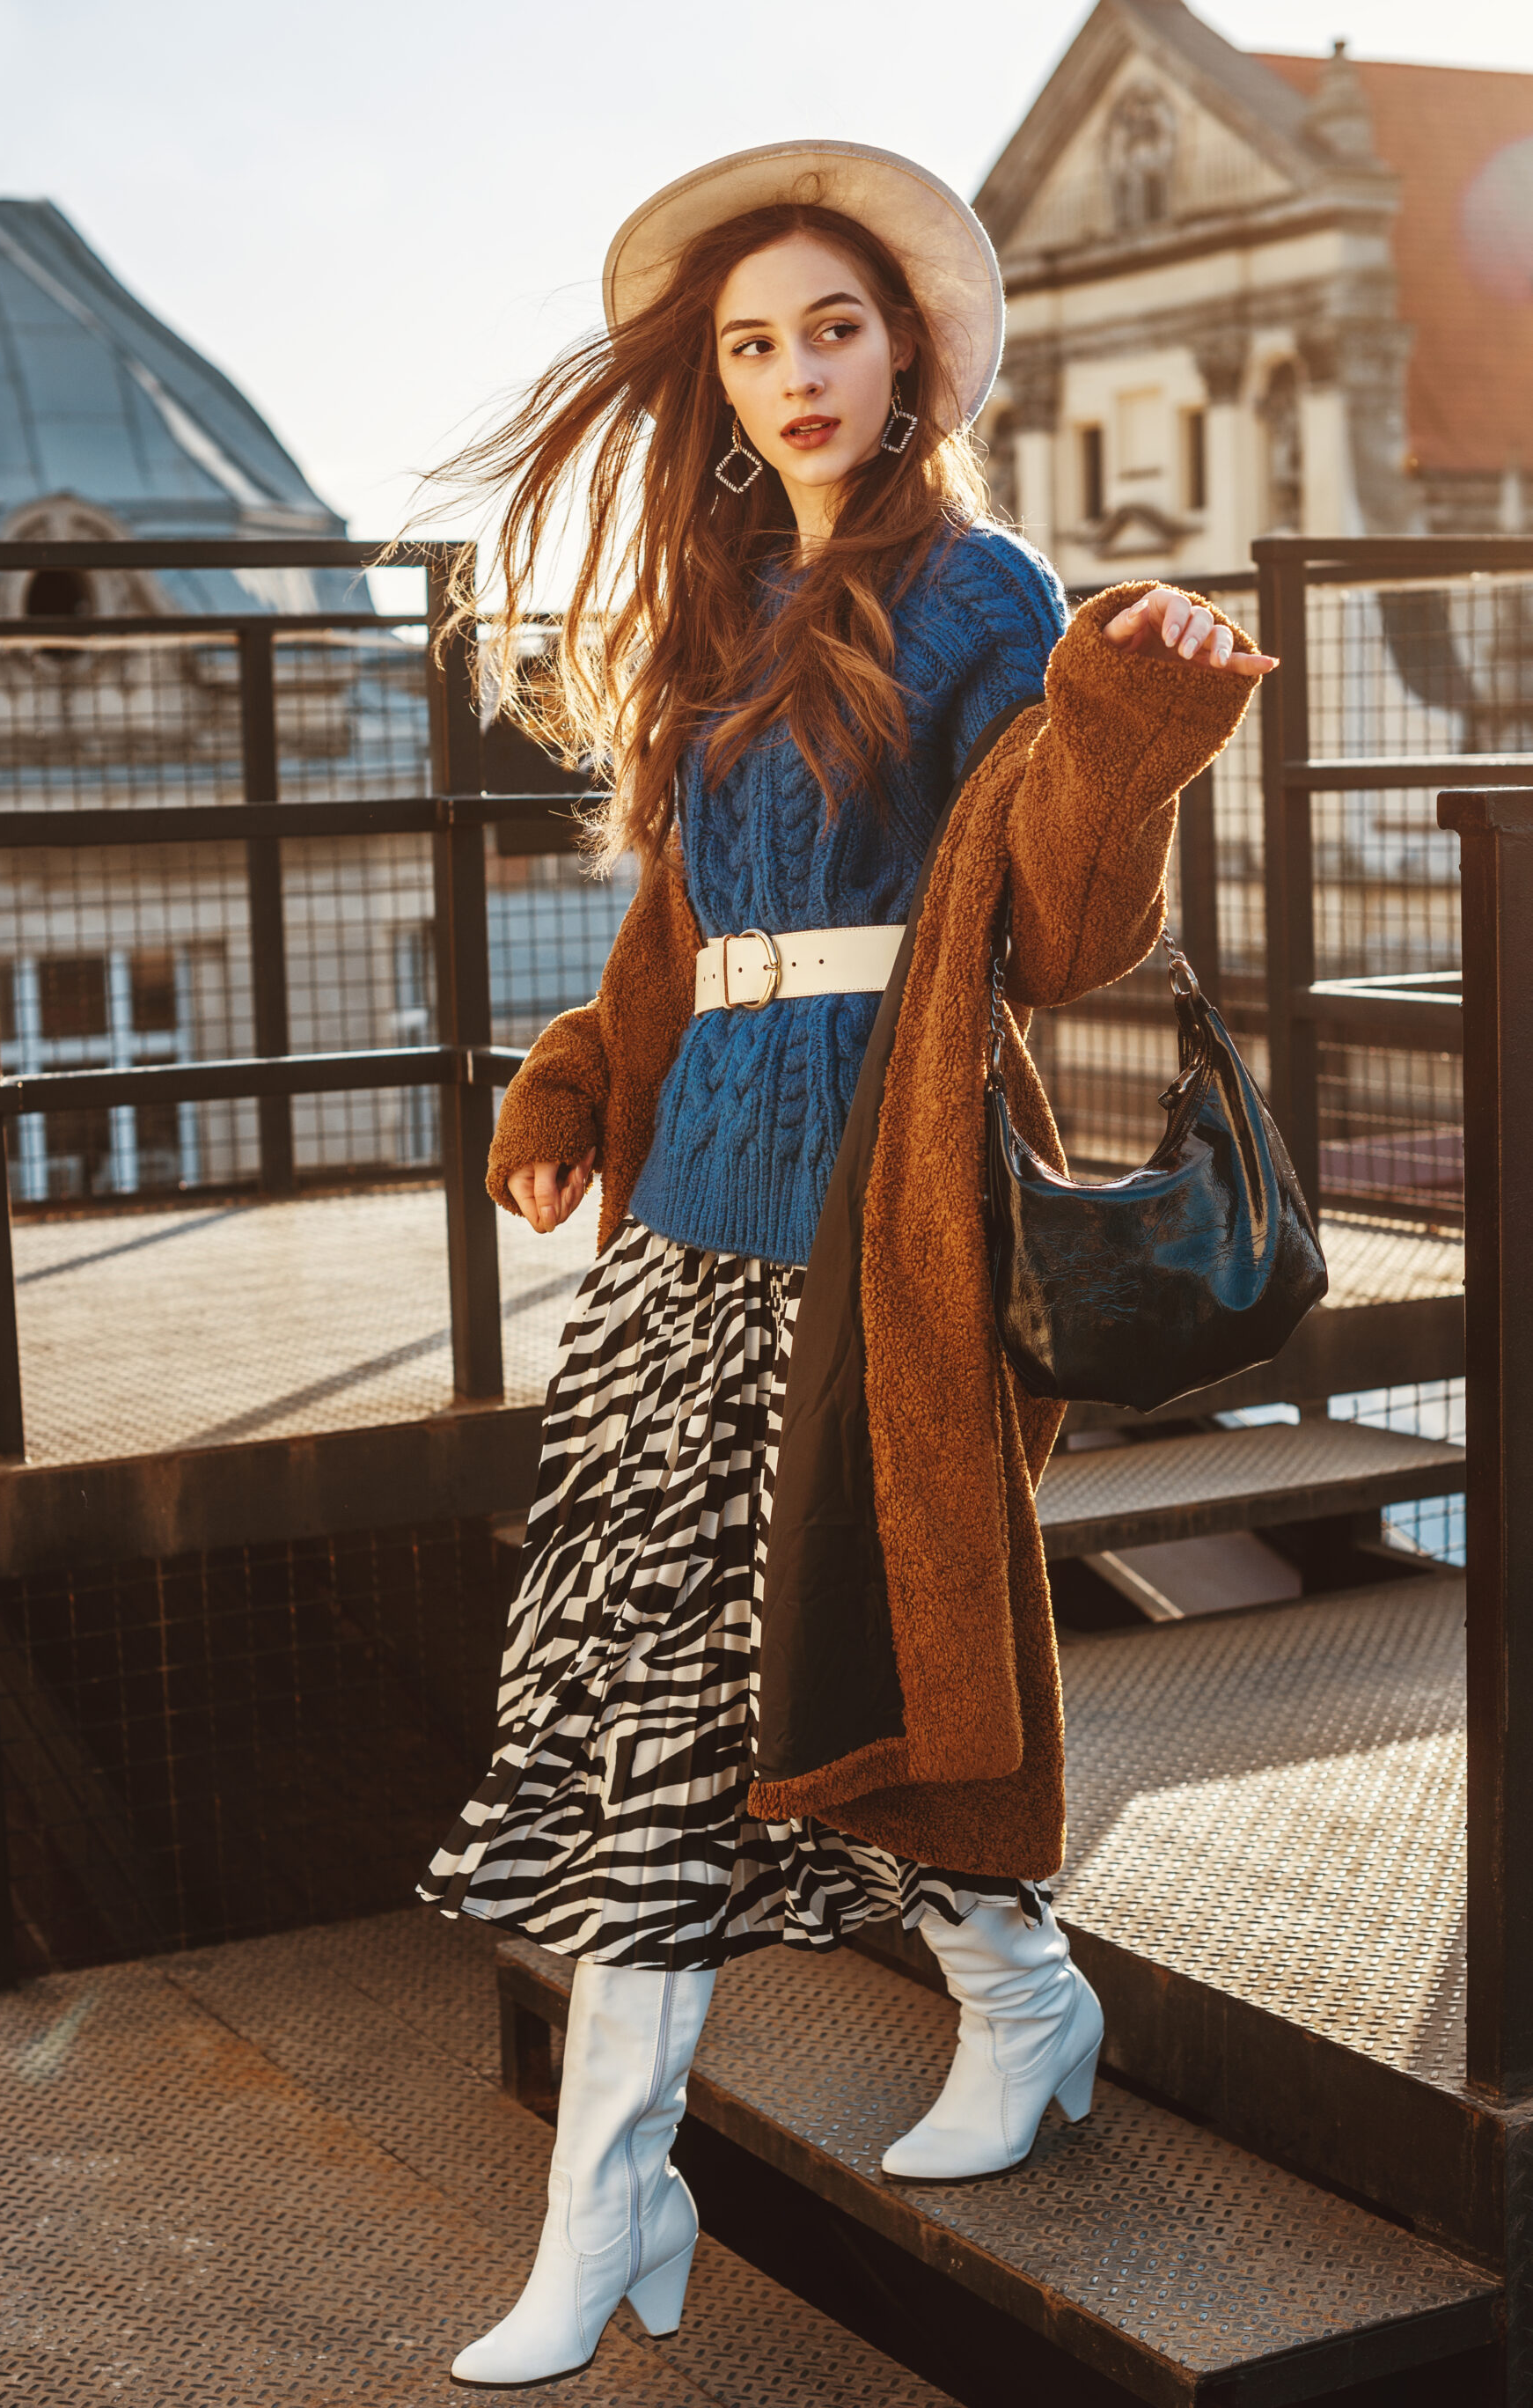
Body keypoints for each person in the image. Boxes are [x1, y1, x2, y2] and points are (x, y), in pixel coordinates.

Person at [414, 140, 1275, 2390]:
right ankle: (974, 2026)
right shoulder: (712, 611)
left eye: (832, 328)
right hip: (686, 1236)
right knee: (688, 1715)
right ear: (711, 381)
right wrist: (579, 1084)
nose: (792, 375)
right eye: (749, 342)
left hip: (872, 1235)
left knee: (775, 1690)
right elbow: (684, 927)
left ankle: (633, 2200)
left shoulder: (982, 585)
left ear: (907, 359)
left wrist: (1138, 724)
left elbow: (1076, 924)